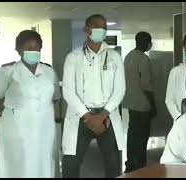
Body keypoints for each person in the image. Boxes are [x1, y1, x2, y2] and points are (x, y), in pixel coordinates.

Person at [0, 30, 61, 177]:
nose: (33, 51)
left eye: (37, 47)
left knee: (44, 161)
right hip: (17, 129)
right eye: (28, 48)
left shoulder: (49, 71)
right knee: (18, 163)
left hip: (45, 128)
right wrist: (6, 110)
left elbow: (56, 96)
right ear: (19, 50)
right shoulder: (8, 71)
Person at [61, 14, 125, 178]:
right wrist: (88, 116)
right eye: (97, 26)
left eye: (104, 26)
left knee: (113, 166)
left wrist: (103, 114)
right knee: (71, 165)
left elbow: (120, 90)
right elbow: (68, 90)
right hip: (81, 117)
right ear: (86, 30)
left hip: (107, 116)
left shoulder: (114, 57)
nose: (101, 29)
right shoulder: (73, 57)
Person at [123, 31, 156, 173]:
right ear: (146, 43)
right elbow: (146, 84)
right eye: (149, 42)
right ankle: (140, 165)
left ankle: (130, 163)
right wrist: (153, 104)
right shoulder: (143, 59)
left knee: (132, 135)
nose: (150, 45)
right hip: (142, 104)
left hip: (131, 103)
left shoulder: (128, 56)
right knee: (142, 137)